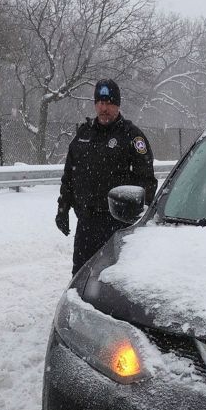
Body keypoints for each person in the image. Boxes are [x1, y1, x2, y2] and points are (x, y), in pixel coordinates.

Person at [56, 79, 158, 274]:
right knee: (80, 277)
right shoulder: (84, 134)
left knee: (111, 280)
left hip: (116, 226)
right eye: (100, 103)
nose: (104, 108)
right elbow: (70, 174)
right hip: (86, 223)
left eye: (109, 103)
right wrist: (63, 208)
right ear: (95, 104)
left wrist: (136, 219)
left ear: (117, 105)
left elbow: (147, 182)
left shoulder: (131, 136)